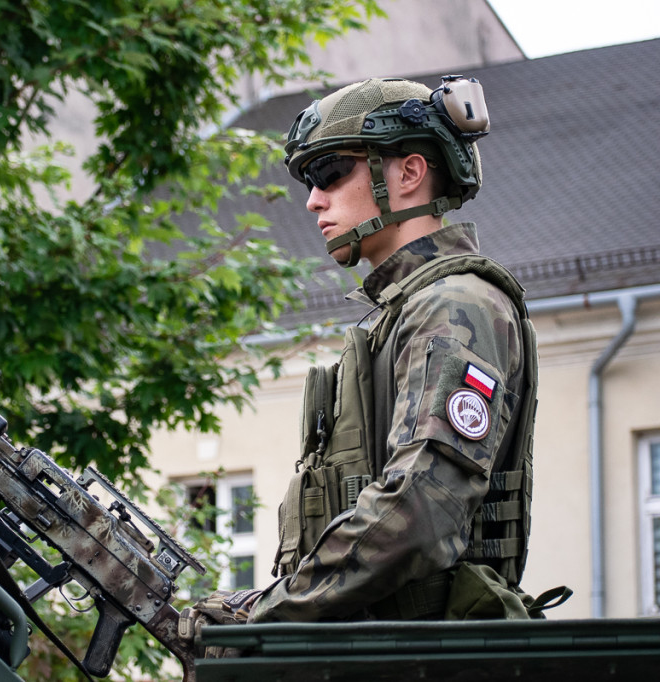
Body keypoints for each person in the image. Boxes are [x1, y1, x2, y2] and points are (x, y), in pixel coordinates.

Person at [181, 75, 553, 640]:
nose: (312, 199)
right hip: (370, 646)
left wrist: (265, 615)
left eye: (330, 172)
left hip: (421, 656)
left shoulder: (456, 306)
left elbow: (420, 511)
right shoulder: (400, 314)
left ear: (408, 173)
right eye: (310, 180)